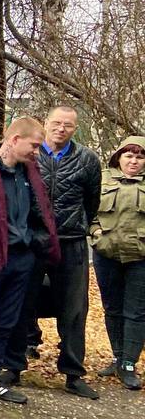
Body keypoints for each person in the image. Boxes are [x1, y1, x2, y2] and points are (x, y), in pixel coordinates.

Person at [0, 118, 60, 406]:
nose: (36, 152)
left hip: (23, 256)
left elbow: (42, 211)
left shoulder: (29, 171)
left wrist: (38, 243)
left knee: (7, 321)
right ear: (15, 139)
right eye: (34, 145)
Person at [19, 105, 101, 399]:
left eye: (67, 125)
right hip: (34, 239)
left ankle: (73, 372)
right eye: (56, 123)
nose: (61, 129)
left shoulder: (87, 159)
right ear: (46, 123)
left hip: (71, 240)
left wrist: (76, 225)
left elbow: (91, 201)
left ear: (74, 129)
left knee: (74, 309)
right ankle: (13, 365)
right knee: (22, 303)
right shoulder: (30, 155)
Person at [90, 137, 145, 390]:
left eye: (140, 157)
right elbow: (88, 211)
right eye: (129, 156)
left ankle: (129, 364)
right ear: (118, 157)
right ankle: (117, 357)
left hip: (140, 258)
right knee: (112, 308)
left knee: (136, 311)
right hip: (107, 254)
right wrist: (96, 234)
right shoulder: (102, 179)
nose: (134, 161)